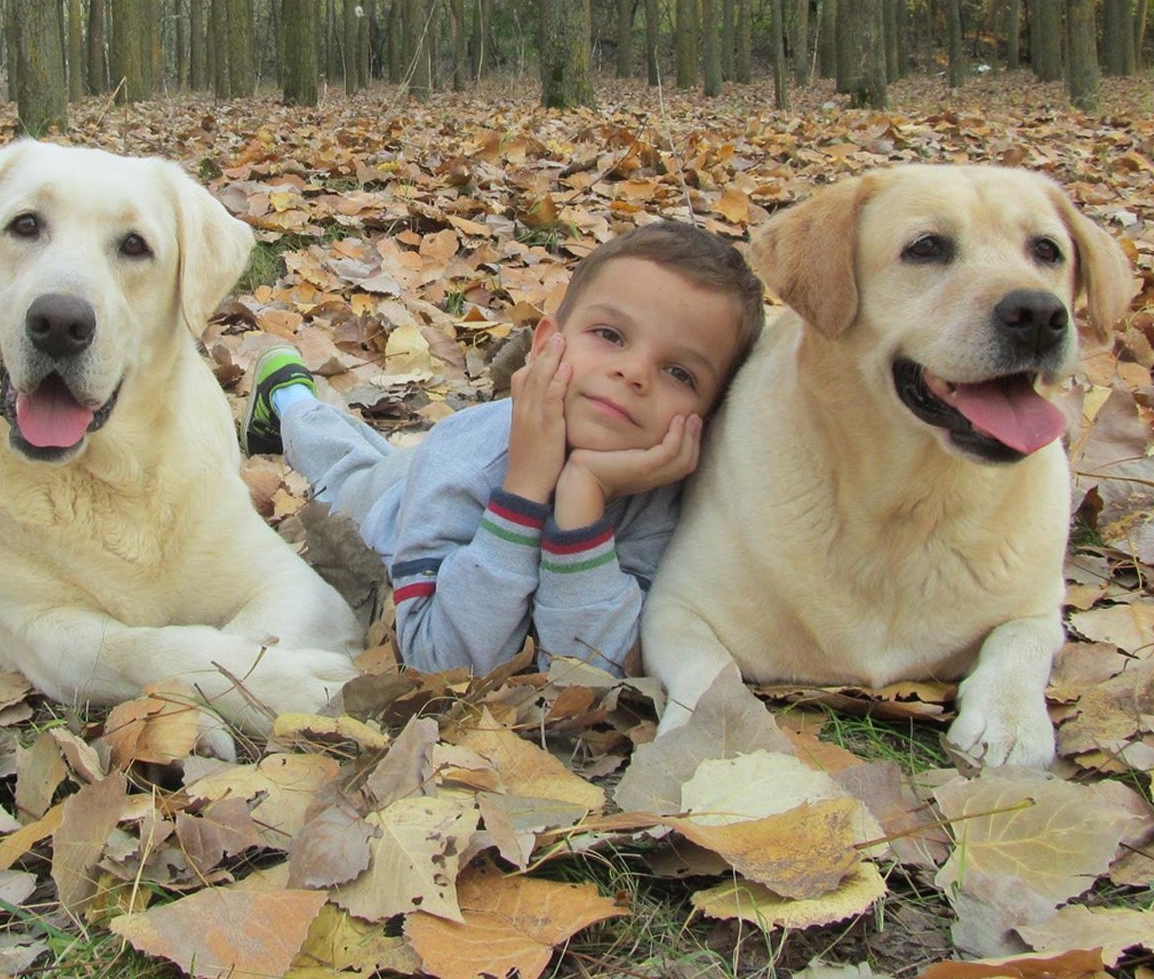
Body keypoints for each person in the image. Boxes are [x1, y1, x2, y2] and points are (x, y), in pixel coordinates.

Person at [242, 220, 765, 677]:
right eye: (609, 335)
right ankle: (288, 398)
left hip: (439, 472)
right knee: (347, 471)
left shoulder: (663, 498)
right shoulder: (463, 463)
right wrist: (524, 490)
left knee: (381, 453)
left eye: (680, 373)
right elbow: (439, 661)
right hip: (394, 502)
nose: (634, 372)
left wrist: (582, 498)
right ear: (543, 344)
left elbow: (588, 671)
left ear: (710, 416)